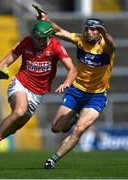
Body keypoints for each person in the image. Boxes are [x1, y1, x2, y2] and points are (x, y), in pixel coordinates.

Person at [0, 20, 77, 165]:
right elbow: (6, 62)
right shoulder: (26, 42)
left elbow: (72, 69)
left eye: (41, 39)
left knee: (13, 128)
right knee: (19, 111)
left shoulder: (55, 46)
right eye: (36, 37)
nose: (38, 41)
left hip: (37, 94)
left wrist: (66, 83)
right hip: (20, 84)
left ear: (49, 37)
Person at [39, 15, 116, 169]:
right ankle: (73, 118)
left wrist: (104, 33)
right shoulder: (80, 40)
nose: (89, 32)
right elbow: (59, 31)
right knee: (55, 128)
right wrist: (45, 21)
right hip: (76, 91)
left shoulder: (105, 46)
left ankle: (54, 159)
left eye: (93, 29)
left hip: (96, 96)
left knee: (80, 129)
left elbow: (112, 45)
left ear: (100, 32)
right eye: (87, 28)